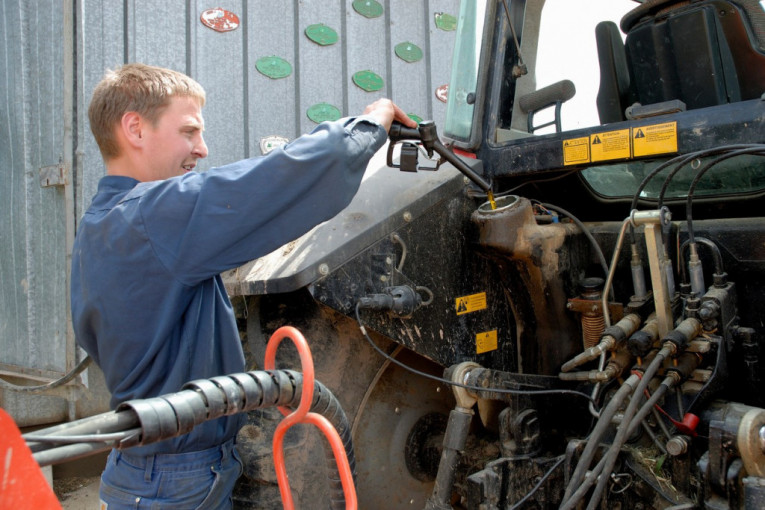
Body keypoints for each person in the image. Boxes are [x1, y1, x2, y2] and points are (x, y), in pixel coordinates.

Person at [71, 62, 416, 509]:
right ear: (134, 128)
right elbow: (287, 177)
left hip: (143, 472)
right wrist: (374, 119)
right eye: (189, 131)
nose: (202, 148)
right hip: (180, 482)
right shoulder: (154, 217)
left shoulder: (99, 225)